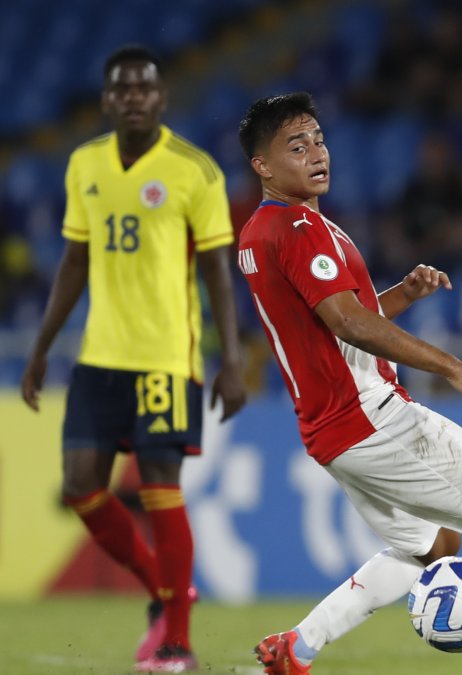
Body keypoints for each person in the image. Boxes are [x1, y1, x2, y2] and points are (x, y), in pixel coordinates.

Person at [235, 93, 462, 675]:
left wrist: (401, 295)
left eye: (319, 140)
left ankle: (297, 648)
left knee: (434, 547)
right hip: (369, 415)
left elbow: (333, 323)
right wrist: (454, 366)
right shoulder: (299, 228)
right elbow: (348, 323)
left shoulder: (263, 229)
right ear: (263, 166)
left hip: (332, 430)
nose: (316, 154)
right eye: (296, 147)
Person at [19, 45, 246, 673]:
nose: (134, 97)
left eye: (144, 88)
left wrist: (230, 360)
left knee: (160, 487)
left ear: (162, 98)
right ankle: (164, 591)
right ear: (107, 99)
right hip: (100, 356)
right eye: (122, 88)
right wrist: (40, 350)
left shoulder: (193, 171)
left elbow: (217, 269)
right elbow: (75, 261)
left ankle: (177, 642)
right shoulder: (84, 164)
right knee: (80, 487)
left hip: (167, 357)